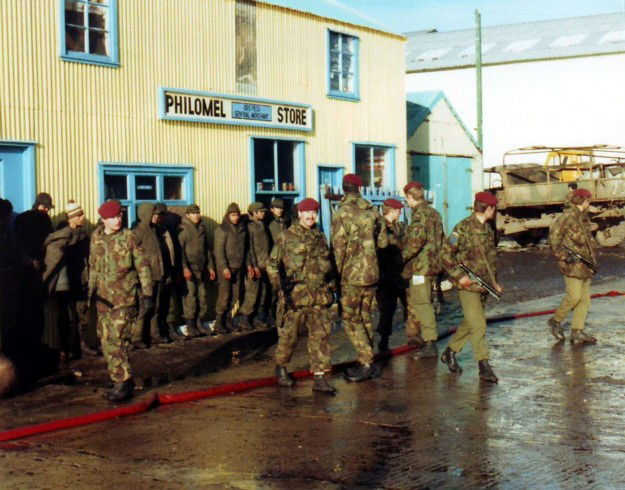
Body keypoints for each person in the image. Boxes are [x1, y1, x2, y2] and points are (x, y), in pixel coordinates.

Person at [267, 198, 336, 395]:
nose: (310, 216)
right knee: (290, 336)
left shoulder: (321, 238)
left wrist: (331, 289)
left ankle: (320, 377)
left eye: (314, 213)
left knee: (320, 337)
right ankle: (281, 366)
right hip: (295, 297)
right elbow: (272, 265)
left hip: (319, 297)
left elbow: (328, 267)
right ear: (299, 214)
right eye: (307, 213)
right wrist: (281, 289)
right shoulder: (287, 237)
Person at [88, 200, 152, 402]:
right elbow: (93, 268)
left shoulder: (129, 237)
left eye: (119, 216)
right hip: (103, 300)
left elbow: (142, 266)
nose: (118, 220)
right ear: (103, 220)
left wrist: (148, 294)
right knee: (106, 341)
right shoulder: (96, 238)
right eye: (113, 217)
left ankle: (123, 382)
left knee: (117, 341)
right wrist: (89, 295)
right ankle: (121, 379)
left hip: (125, 299)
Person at [440, 191, 502, 383]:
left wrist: (494, 283)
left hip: (484, 285)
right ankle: (483, 365)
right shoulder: (463, 228)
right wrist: (460, 276)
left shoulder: (489, 229)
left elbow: (489, 259)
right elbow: (445, 254)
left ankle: (450, 352)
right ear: (489, 208)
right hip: (468, 285)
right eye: (495, 208)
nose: (495, 212)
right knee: (479, 324)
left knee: (471, 322)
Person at [331, 173, 388, 382]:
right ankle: (366, 361)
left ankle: (366, 362)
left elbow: (338, 249)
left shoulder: (341, 213)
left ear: (344, 188)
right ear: (360, 188)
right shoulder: (372, 211)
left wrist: (335, 277)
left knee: (350, 319)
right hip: (372, 274)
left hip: (351, 276)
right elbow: (383, 243)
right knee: (365, 317)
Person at [42, 200, 92, 360]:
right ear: (72, 217)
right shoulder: (63, 237)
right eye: (80, 215)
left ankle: (80, 347)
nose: (83, 217)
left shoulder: (83, 236)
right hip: (65, 284)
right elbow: (53, 259)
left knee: (82, 316)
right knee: (67, 318)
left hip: (79, 281)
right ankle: (67, 349)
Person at [547, 188, 597, 344]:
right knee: (574, 297)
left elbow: (587, 241)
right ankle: (555, 320)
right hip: (572, 264)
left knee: (585, 300)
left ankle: (577, 331)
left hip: (585, 264)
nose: (589, 204)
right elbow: (554, 237)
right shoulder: (567, 217)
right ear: (583, 201)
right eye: (588, 200)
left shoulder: (583, 217)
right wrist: (564, 257)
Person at [401, 181, 445, 358]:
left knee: (422, 304)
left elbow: (415, 243)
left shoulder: (420, 215)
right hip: (434, 265)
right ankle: (428, 340)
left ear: (411, 197)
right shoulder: (434, 213)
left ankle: (429, 343)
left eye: (407, 199)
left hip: (421, 268)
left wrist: (400, 258)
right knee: (427, 302)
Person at [132, 203, 177, 346]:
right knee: (143, 308)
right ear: (145, 214)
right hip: (145, 276)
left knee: (157, 307)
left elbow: (163, 253)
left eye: (158, 214)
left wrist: (166, 273)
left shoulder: (157, 230)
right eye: (153, 214)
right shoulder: (137, 232)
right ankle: (137, 337)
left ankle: (154, 334)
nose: (157, 216)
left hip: (159, 274)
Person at [213, 203, 254, 333]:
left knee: (235, 295)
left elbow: (246, 250)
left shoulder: (242, 229)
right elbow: (218, 251)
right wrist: (224, 268)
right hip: (226, 268)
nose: (235, 217)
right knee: (224, 296)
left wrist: (248, 265)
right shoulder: (222, 230)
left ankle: (228, 321)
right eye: (232, 215)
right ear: (228, 215)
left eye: (237, 214)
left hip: (239, 267)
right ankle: (219, 323)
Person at [176, 204, 216, 338]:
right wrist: (184, 268)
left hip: (201, 270)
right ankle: (190, 325)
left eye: (198, 213)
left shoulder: (201, 228)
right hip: (189, 271)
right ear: (187, 215)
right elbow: (179, 252)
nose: (196, 215)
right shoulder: (183, 229)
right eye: (193, 213)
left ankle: (199, 323)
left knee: (202, 297)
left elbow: (207, 250)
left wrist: (210, 266)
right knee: (190, 298)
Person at [375, 198, 407, 352]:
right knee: (387, 310)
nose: (400, 212)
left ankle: (412, 337)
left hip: (400, 274)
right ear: (392, 210)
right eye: (399, 210)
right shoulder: (379, 227)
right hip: (385, 275)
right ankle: (383, 341)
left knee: (408, 306)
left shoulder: (399, 227)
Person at [240, 202, 271, 328]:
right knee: (252, 293)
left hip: (264, 264)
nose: (263, 213)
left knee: (262, 292)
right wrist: (253, 265)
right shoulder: (250, 227)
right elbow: (249, 248)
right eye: (261, 211)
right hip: (255, 265)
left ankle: (258, 318)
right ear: (254, 212)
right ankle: (245, 319)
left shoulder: (261, 224)